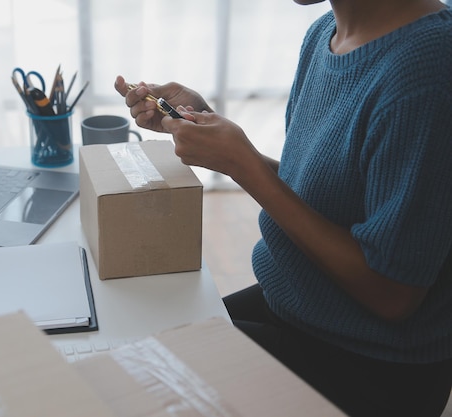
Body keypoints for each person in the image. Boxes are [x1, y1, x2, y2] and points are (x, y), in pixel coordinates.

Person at [114, 0, 452, 416]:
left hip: (369, 362)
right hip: (295, 301)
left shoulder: (429, 73)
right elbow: (322, 191)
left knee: (130, 378)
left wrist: (242, 164)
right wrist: (211, 132)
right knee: (127, 345)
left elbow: (393, 295)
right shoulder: (325, 33)